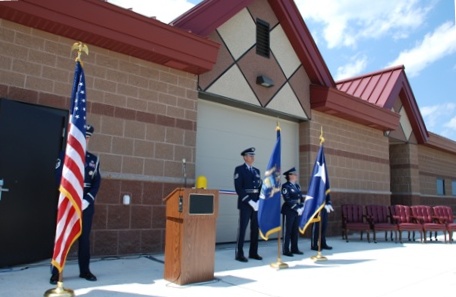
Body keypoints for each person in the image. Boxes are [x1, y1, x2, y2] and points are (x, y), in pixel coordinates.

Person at [50, 124, 101, 284]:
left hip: (85, 204)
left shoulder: (94, 159)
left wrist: (88, 200)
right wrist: (71, 197)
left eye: (87, 137)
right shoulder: (66, 155)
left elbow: (97, 182)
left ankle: (85, 271)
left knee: (84, 239)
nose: (84, 140)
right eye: (81, 136)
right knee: (62, 237)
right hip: (68, 202)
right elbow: (59, 177)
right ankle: (56, 273)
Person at [233, 147, 263, 262]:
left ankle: (253, 252)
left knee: (255, 229)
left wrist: (259, 201)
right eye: (250, 155)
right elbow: (239, 188)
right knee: (242, 229)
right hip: (246, 203)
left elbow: (260, 187)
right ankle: (239, 253)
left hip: (256, 202)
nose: (252, 157)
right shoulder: (239, 169)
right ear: (245, 157)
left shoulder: (257, 171)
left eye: (253, 155)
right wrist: (250, 201)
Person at [280, 167, 304, 257]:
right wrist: (296, 208)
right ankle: (286, 249)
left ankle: (294, 248)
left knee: (295, 230)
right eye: (294, 174)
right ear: (289, 176)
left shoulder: (297, 186)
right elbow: (287, 199)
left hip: (297, 210)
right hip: (289, 210)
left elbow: (301, 198)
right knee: (288, 230)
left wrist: (302, 207)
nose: (296, 175)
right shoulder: (285, 186)